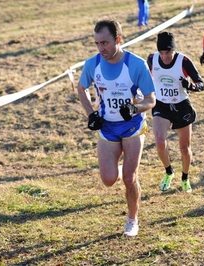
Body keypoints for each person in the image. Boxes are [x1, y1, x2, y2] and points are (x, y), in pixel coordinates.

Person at [76, 19, 156, 237]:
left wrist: (135, 109)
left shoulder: (136, 64)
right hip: (107, 127)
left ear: (118, 40)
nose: (101, 49)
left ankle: (132, 220)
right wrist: (91, 115)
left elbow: (151, 100)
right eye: (97, 44)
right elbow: (80, 88)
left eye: (105, 43)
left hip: (132, 127)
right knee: (109, 180)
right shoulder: (92, 64)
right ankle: (120, 169)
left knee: (130, 178)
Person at [147, 31, 204, 193]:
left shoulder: (184, 61)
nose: (165, 57)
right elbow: (146, 79)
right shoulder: (152, 59)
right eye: (162, 53)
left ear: (174, 50)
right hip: (161, 106)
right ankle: (168, 172)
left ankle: (185, 178)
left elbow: (201, 83)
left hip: (181, 106)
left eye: (168, 52)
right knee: (159, 141)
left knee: (184, 148)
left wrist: (191, 86)